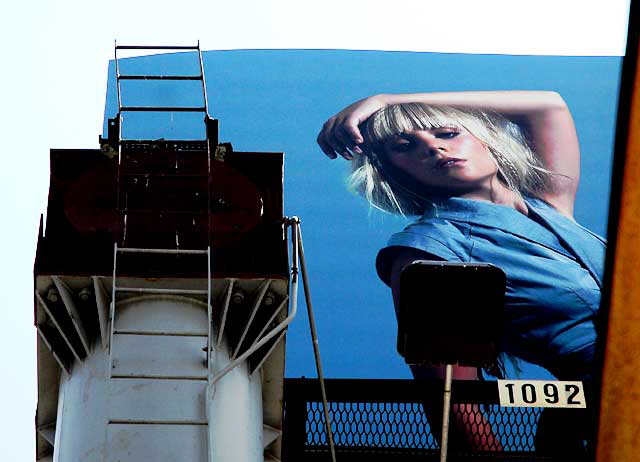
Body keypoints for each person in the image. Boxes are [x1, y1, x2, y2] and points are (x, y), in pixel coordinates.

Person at [317, 91, 605, 455]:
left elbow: (548, 105)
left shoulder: (548, 204)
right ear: (392, 172)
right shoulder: (429, 247)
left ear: (485, 138)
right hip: (606, 414)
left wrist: (384, 101)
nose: (433, 149)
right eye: (405, 146)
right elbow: (451, 399)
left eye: (448, 133)